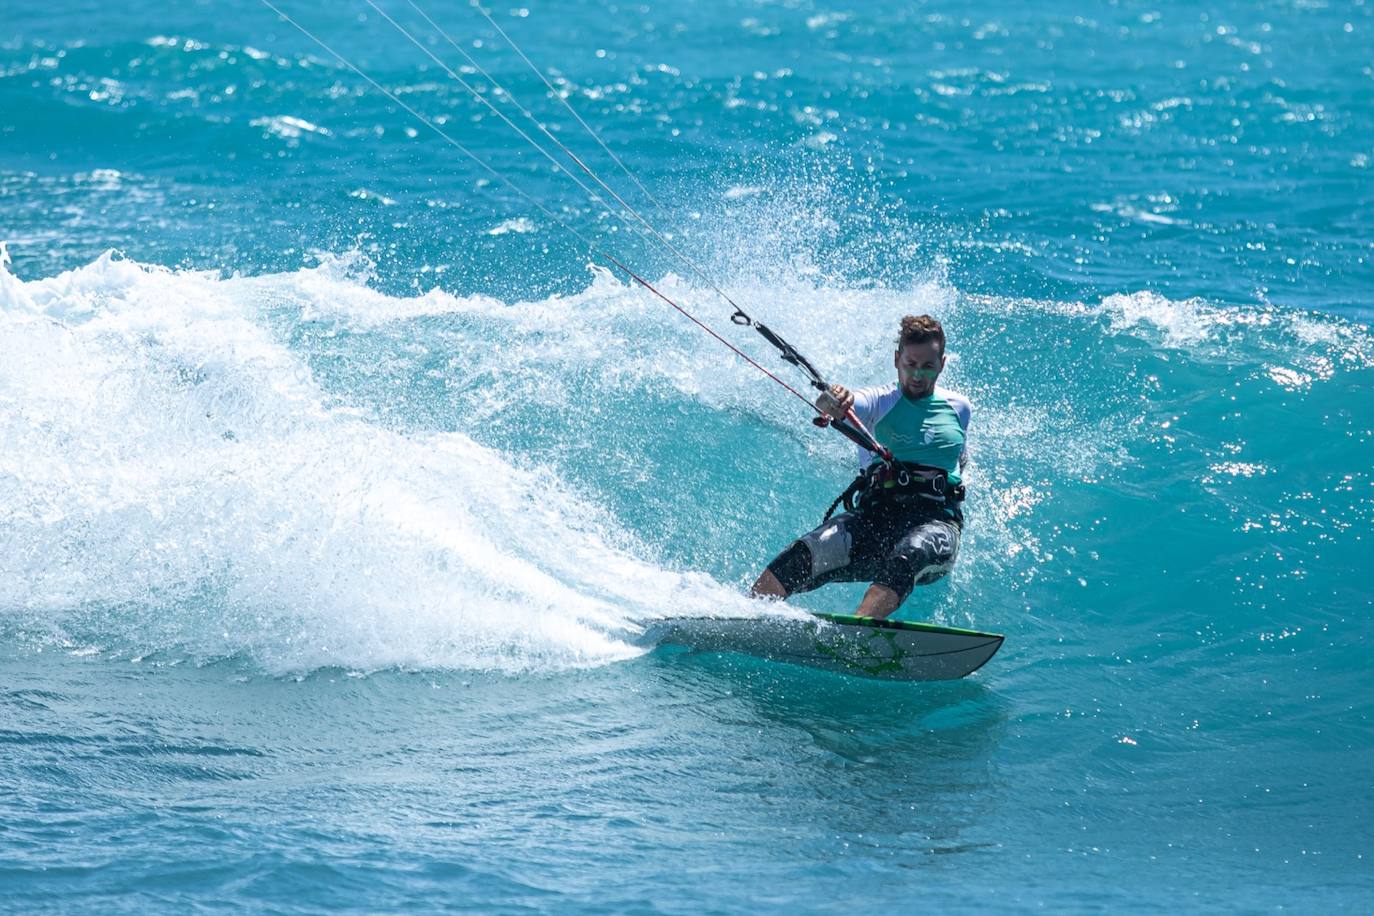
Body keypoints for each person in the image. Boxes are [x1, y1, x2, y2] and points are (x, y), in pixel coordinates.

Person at [750, 314, 971, 619]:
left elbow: (959, 463)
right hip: (874, 523)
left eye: (928, 366)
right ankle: (746, 618)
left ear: (942, 364)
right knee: (805, 552)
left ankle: (858, 633)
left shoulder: (959, 408)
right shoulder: (878, 401)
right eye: (910, 364)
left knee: (909, 554)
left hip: (935, 526)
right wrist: (834, 401)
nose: (918, 375)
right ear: (897, 359)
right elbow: (839, 406)